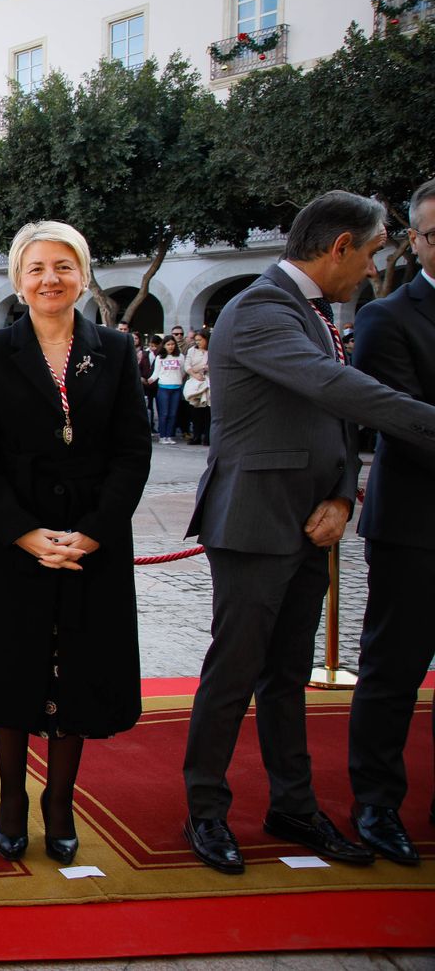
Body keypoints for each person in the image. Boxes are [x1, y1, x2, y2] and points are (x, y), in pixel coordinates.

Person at [181, 190, 435, 874]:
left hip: (308, 520)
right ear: (339, 247)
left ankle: (292, 805)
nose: (377, 265)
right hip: (254, 519)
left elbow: (327, 422)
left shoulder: (308, 310)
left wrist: (340, 495)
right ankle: (205, 811)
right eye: (375, 249)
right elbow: (334, 388)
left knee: (287, 675)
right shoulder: (262, 308)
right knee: (233, 674)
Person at [0, 221, 151, 866]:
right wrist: (26, 533)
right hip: (14, 539)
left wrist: (93, 532)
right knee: (13, 668)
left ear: (83, 274)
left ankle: (59, 801)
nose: (50, 279)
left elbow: (132, 454)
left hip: (93, 540)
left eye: (63, 266)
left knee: (79, 670)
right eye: (36, 268)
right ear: (17, 279)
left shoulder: (115, 352)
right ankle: (11, 796)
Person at [344, 178, 435, 865]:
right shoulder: (389, 317)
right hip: (417, 528)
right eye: (432, 235)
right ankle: (376, 804)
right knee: (393, 671)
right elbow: (400, 424)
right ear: (416, 242)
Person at [149, 335, 185, 445]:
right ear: (164, 345)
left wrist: (178, 380)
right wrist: (150, 379)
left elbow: (183, 371)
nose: (171, 346)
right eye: (168, 344)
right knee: (164, 413)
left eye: (172, 344)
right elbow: (156, 372)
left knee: (173, 414)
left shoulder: (180, 357)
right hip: (163, 388)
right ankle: (162, 435)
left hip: (176, 388)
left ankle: (169, 435)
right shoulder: (160, 357)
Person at [181, 330, 211, 445]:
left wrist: (204, 368)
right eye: (196, 340)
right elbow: (187, 366)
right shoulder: (191, 351)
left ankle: (207, 437)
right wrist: (195, 374)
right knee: (195, 410)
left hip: (208, 382)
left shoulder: (211, 351)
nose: (198, 342)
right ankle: (196, 435)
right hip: (195, 383)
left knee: (208, 411)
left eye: (200, 340)